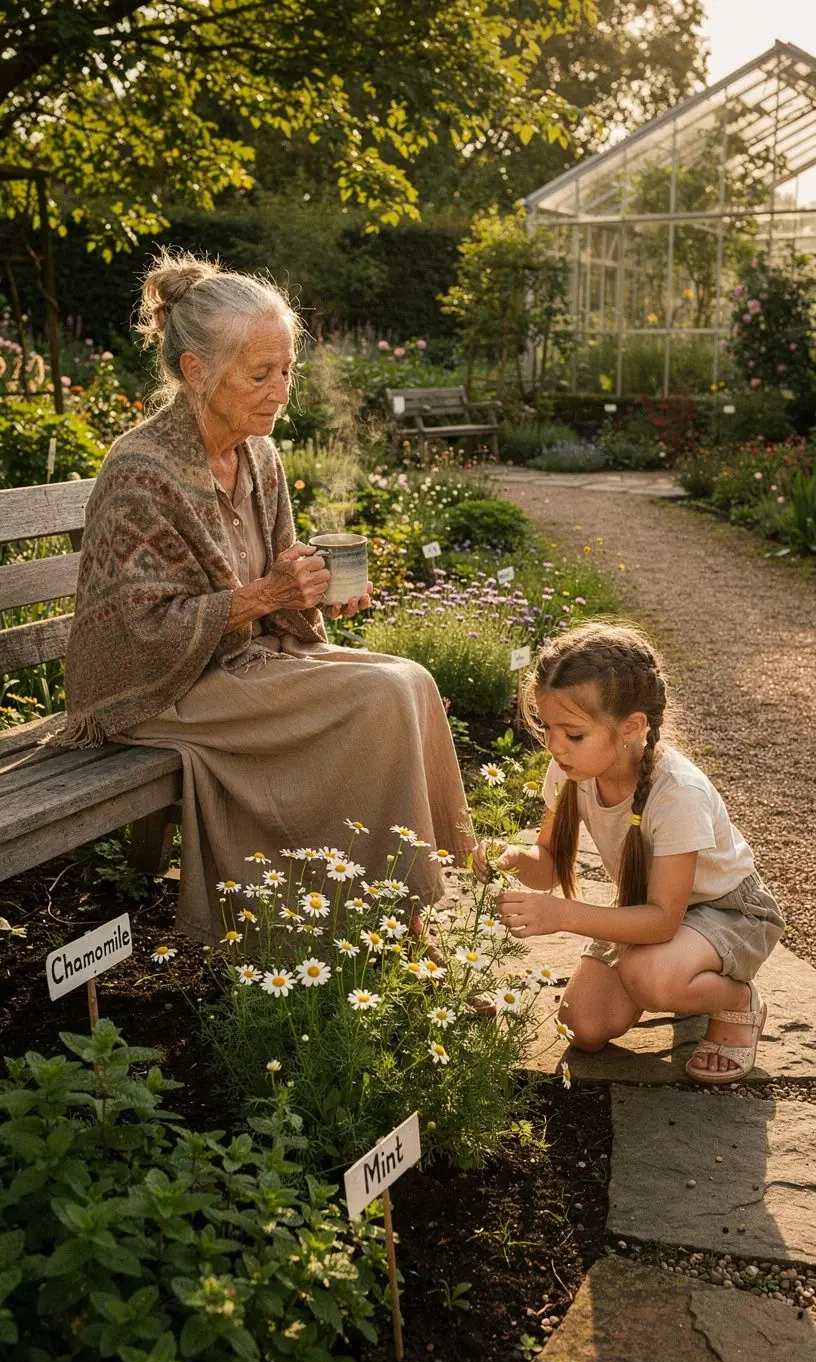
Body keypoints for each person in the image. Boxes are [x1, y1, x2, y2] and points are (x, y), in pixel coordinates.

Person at [59, 251, 472, 944]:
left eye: (287, 370)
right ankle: (394, 925)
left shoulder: (258, 455)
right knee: (377, 701)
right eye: (261, 374)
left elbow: (277, 584)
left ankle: (394, 901)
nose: (281, 391)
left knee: (414, 680)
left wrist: (308, 594)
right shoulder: (142, 469)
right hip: (159, 690)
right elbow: (136, 634)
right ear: (196, 372)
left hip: (240, 664)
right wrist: (264, 597)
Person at [474, 622, 784, 1084]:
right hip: (649, 907)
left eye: (573, 734)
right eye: (547, 728)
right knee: (585, 1027)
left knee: (650, 976)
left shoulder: (677, 795)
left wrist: (561, 915)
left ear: (632, 727)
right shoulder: (572, 771)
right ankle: (683, 974)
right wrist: (512, 860)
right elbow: (547, 868)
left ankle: (735, 1001)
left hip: (726, 911)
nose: (554, 746)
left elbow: (661, 920)